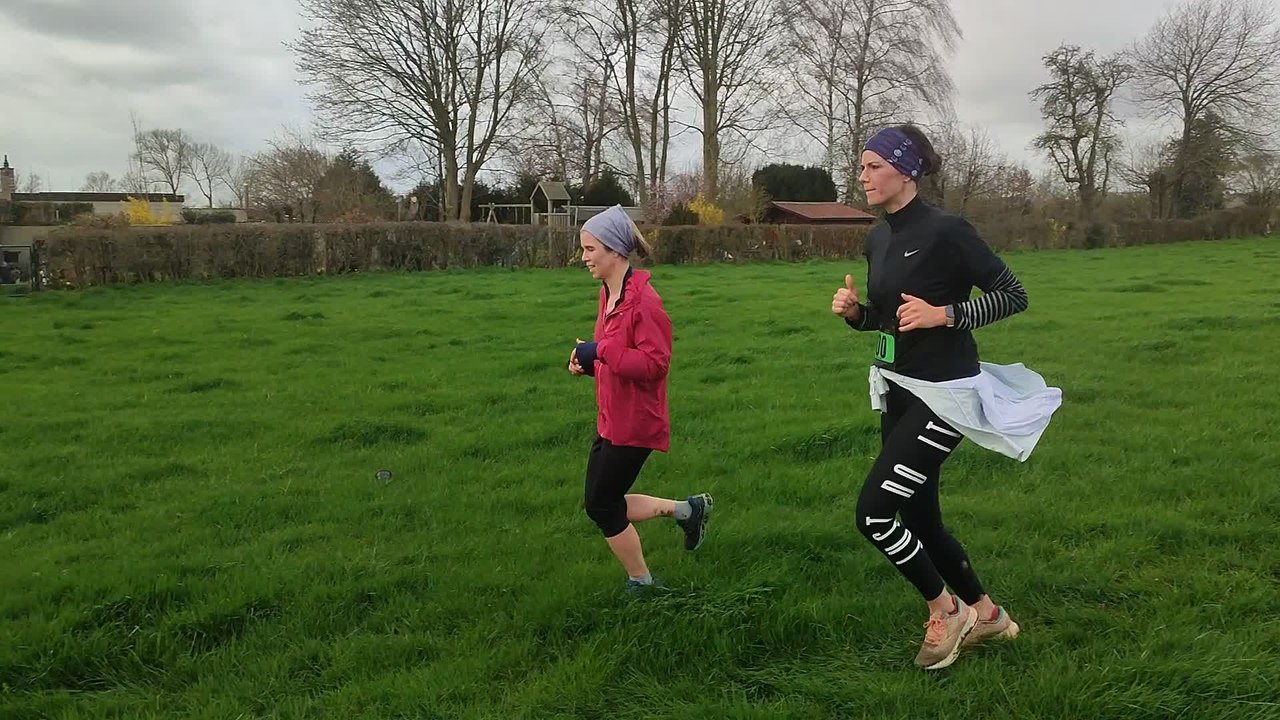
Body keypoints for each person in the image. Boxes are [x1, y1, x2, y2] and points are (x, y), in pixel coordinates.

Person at [832, 125, 1063, 670]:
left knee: (875, 514)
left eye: (872, 165)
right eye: (861, 166)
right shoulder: (878, 237)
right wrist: (857, 316)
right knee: (920, 517)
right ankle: (988, 616)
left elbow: (1015, 295)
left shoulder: (947, 230)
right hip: (897, 387)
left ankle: (946, 608)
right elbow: (891, 320)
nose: (862, 175)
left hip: (946, 396)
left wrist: (948, 315)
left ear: (904, 171)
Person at [568, 205, 713, 593]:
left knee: (601, 505)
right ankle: (687, 510)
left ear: (615, 250)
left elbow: (655, 365)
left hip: (635, 423)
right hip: (611, 416)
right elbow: (615, 356)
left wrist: (599, 352)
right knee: (604, 501)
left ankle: (642, 581)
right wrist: (590, 366)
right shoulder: (610, 295)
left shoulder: (644, 303)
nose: (583, 257)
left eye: (590, 249)